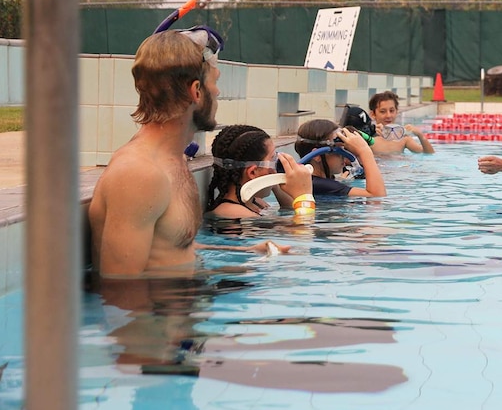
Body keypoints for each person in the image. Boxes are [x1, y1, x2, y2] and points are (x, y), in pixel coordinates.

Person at [88, 27, 301, 278]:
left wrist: (249, 253)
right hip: (162, 315)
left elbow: (172, 248)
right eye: (215, 82)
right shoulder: (140, 174)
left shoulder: (173, 160)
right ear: (196, 91)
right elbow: (121, 291)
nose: (218, 92)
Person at [205, 124, 313, 218]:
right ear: (252, 172)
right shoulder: (233, 212)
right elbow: (303, 236)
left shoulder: (254, 202)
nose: (275, 165)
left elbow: (289, 209)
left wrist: (275, 181)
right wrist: (304, 196)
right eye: (272, 159)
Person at [294, 119, 387, 197]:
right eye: (339, 151)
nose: (345, 157)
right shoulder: (319, 184)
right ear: (317, 155)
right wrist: (365, 151)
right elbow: (377, 196)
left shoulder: (314, 181)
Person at [367, 91, 434, 155]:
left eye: (392, 111)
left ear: (396, 112)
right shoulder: (369, 138)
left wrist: (420, 135)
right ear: (373, 114)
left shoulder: (402, 137)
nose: (388, 115)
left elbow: (428, 153)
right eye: (383, 111)